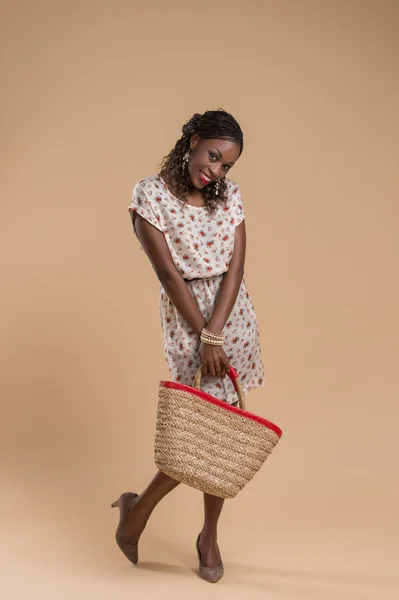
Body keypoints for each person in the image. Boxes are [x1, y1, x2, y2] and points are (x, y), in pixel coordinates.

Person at [112, 109, 266, 583]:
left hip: (231, 315)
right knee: (198, 427)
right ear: (194, 140)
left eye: (226, 166)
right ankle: (138, 513)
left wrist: (217, 333)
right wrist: (202, 335)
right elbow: (167, 273)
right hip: (187, 318)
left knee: (221, 430)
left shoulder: (228, 196)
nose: (216, 171)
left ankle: (207, 534)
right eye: (213, 157)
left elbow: (236, 268)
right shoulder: (150, 194)